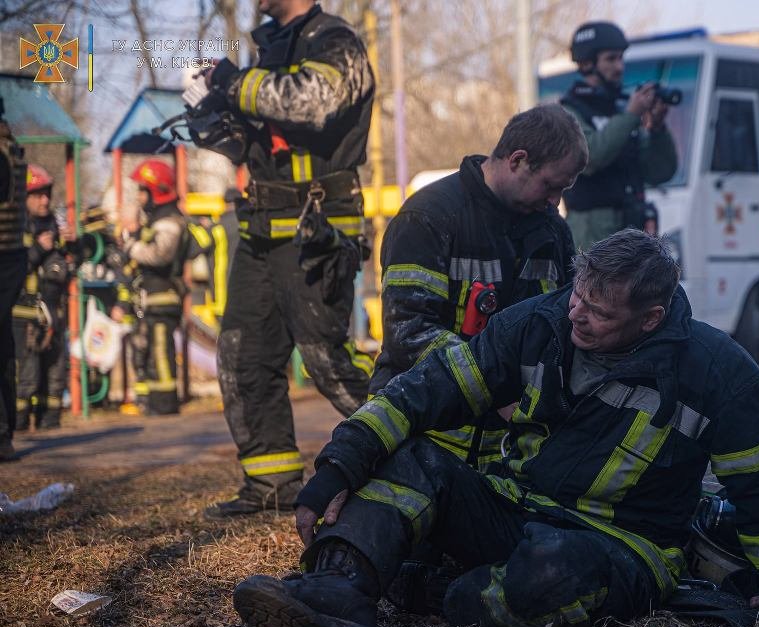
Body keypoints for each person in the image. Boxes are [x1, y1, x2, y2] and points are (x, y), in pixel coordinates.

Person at [233, 230, 759, 627]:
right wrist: (338, 466)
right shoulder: (538, 323)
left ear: (651, 318)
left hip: (624, 543)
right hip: (516, 505)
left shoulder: (722, 374)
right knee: (412, 456)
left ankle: (430, 589)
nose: (577, 317)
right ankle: (338, 590)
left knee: (555, 574)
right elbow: (423, 391)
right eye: (577, 297)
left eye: (599, 312)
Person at [201, 0, 376, 518]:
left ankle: (422, 451)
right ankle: (271, 482)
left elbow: (313, 102)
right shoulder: (267, 48)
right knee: (244, 353)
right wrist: (215, 121)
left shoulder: (335, 40)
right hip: (260, 230)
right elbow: (265, 136)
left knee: (329, 360)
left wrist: (235, 84)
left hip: (316, 228)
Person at [373, 104, 582, 471]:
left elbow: (567, 326)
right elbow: (408, 331)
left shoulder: (551, 231)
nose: (555, 201)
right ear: (517, 160)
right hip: (423, 432)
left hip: (508, 451)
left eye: (563, 189)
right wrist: (493, 384)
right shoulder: (428, 217)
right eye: (550, 185)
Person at [561, 22, 678, 250]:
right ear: (586, 63)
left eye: (621, 58)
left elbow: (659, 172)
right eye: (611, 59)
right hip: (592, 232)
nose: (620, 67)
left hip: (632, 227)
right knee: (596, 287)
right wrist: (631, 115)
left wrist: (657, 129)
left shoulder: (621, 109)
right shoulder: (569, 110)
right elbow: (590, 156)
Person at [117, 159, 187, 416]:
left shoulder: (169, 221)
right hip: (150, 299)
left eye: (143, 190)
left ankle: (165, 403)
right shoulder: (156, 220)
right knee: (149, 352)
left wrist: (131, 247)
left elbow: (160, 255)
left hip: (163, 297)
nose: (139, 197)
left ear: (156, 190)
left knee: (161, 351)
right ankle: (155, 402)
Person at [12, 164, 71, 430]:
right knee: (26, 377)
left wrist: (74, 246)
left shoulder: (54, 227)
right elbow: (12, 269)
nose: (45, 200)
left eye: (47, 193)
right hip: (23, 316)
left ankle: (50, 423)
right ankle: (19, 426)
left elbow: (66, 268)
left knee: (55, 376)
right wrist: (37, 249)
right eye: (37, 194)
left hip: (53, 315)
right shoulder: (14, 230)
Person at [0, 100, 27, 460]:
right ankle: (5, 434)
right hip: (11, 256)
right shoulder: (11, 147)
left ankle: (3, 433)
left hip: (2, 257)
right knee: (4, 346)